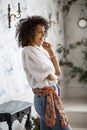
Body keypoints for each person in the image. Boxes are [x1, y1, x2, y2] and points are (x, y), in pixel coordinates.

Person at [15, 15, 72, 130]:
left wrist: (50, 51)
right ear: (29, 33)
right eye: (40, 32)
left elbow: (57, 72)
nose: (43, 35)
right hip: (45, 99)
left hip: (50, 96)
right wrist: (54, 77)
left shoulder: (38, 50)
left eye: (44, 32)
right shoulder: (28, 52)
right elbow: (51, 77)